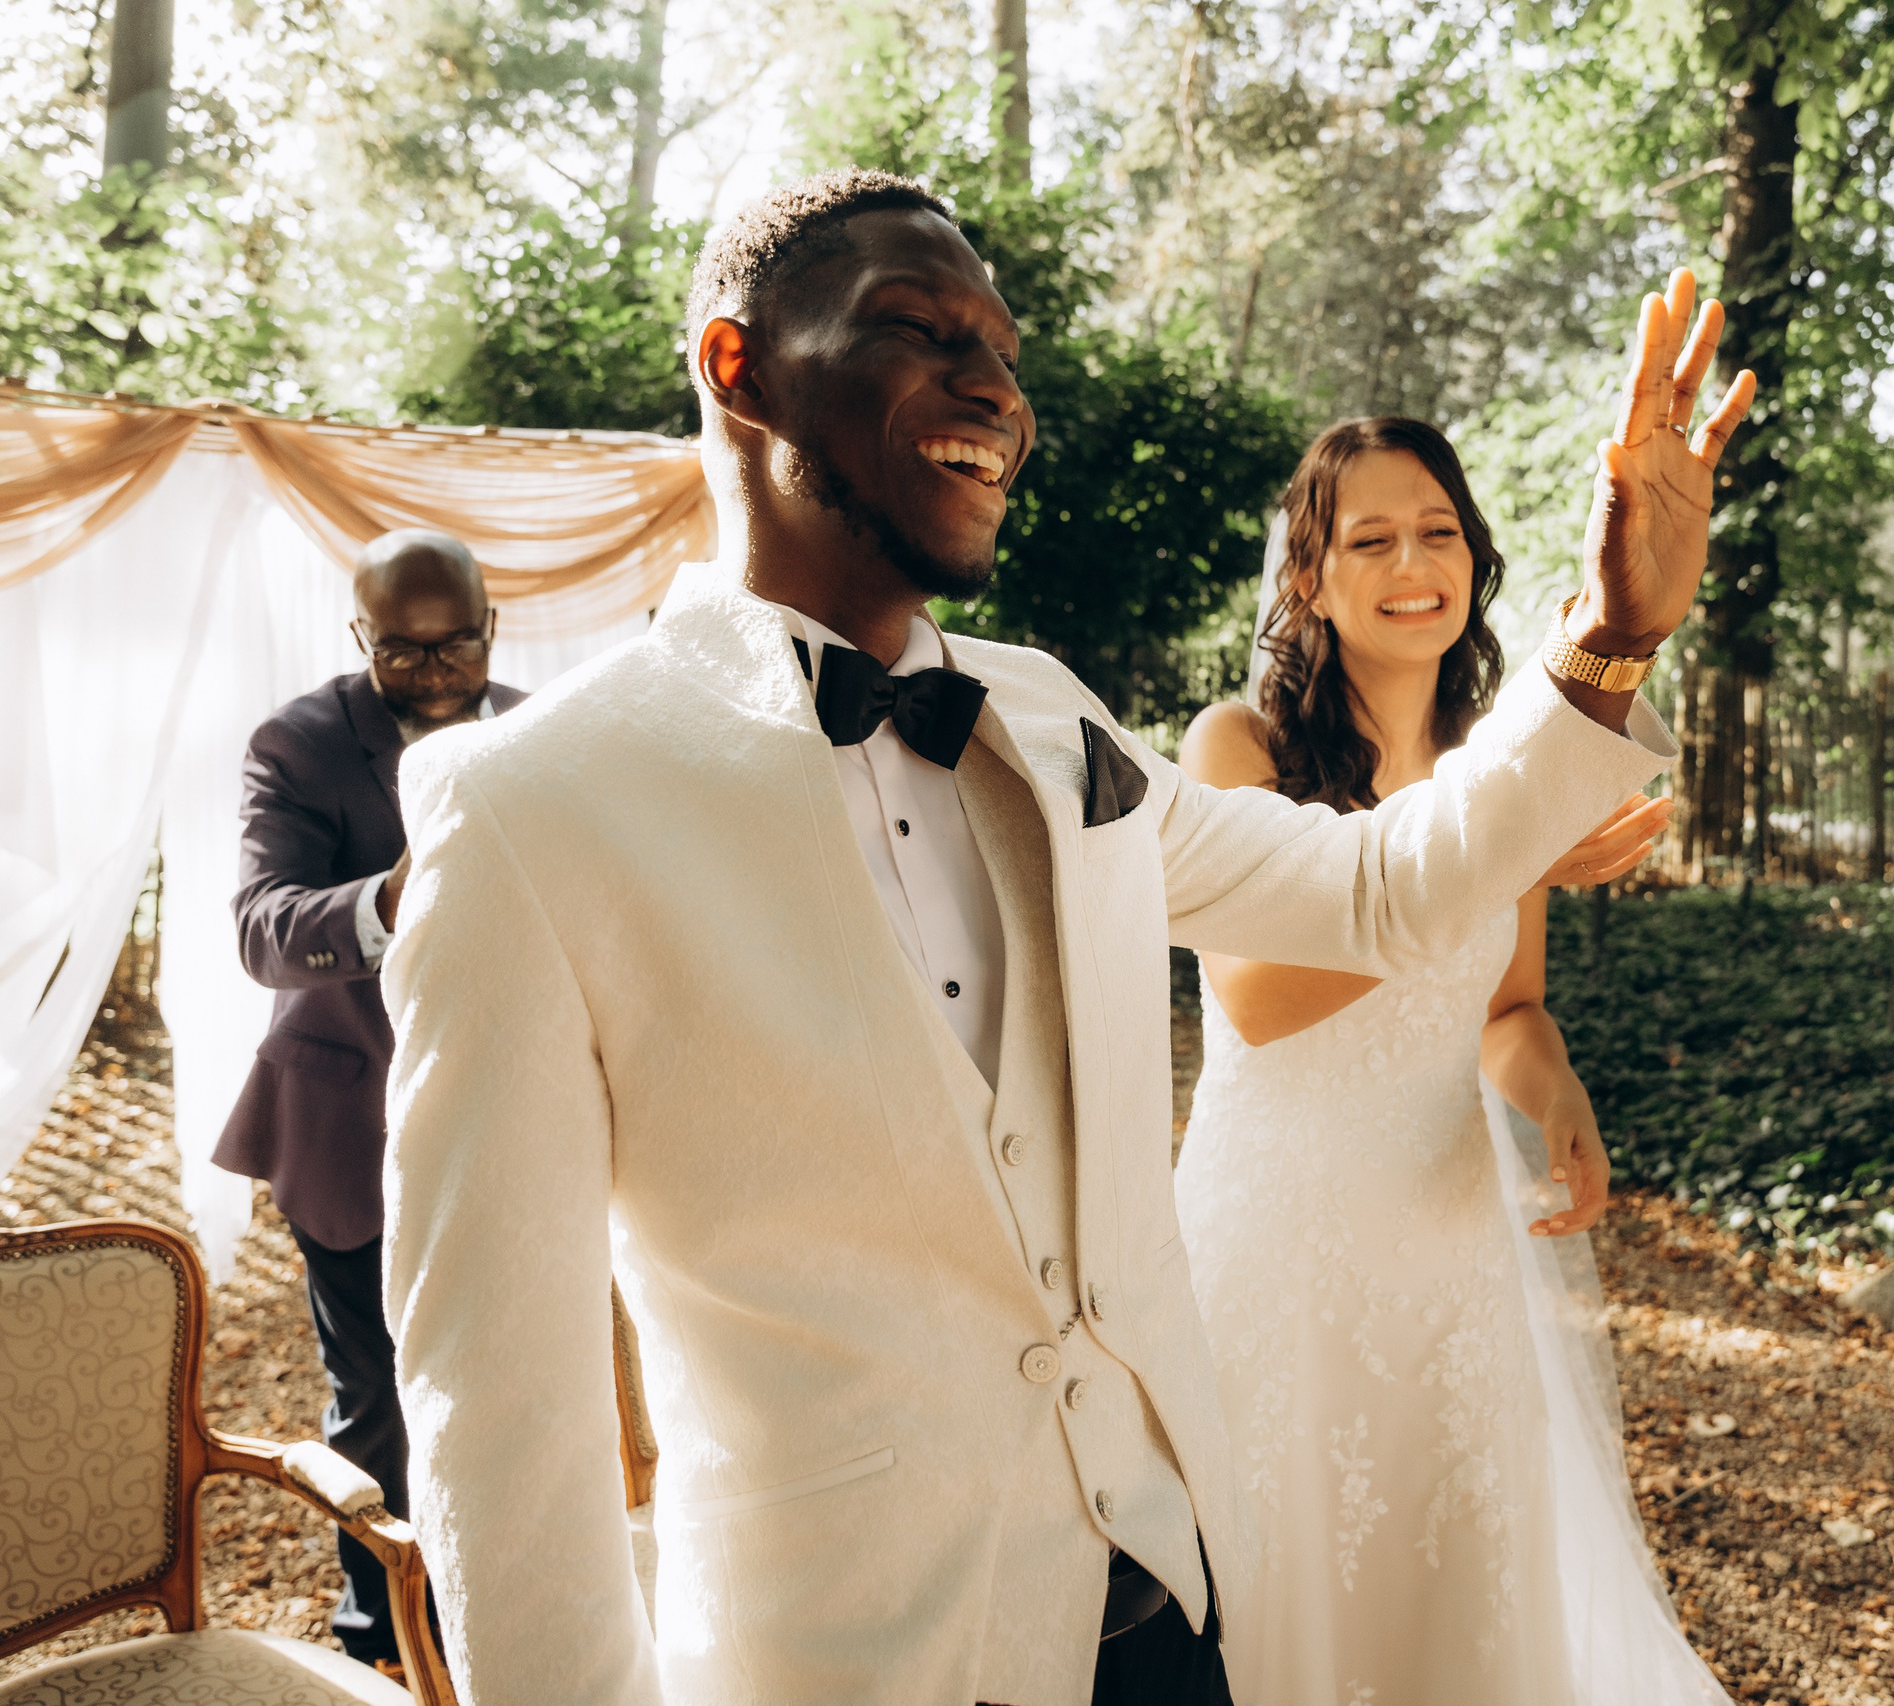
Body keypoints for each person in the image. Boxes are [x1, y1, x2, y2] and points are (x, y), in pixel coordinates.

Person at [377, 167, 1753, 1706]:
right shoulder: (530, 806)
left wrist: (1611, 637)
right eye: (920, 331)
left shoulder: (1047, 716)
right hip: (850, 1657)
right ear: (738, 363)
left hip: (1172, 1604)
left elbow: (1377, 890)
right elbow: (503, 1416)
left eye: (1006, 354)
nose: (994, 391)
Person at [1170, 413, 1735, 1704]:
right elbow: (1256, 995)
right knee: (1280, 1595)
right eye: (1368, 538)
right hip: (1276, 1255)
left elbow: (1507, 1005)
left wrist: (1557, 1090)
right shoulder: (1235, 750)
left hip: (1447, 1256)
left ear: (1475, 562)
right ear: (1307, 577)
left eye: (1438, 532)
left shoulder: (1495, 772)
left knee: (1453, 1605)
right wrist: (1506, 847)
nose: (1411, 560)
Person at [215, 529, 525, 1670]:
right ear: (361, 637)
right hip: (349, 1118)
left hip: (507, 1112)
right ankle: (379, 1639)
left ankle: (497, 1607)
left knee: (503, 1376)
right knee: (381, 1396)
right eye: (405, 652)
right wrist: (392, 895)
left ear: (493, 624)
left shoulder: (538, 724)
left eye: (458, 644)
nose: (439, 672)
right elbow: (260, 928)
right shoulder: (295, 743)